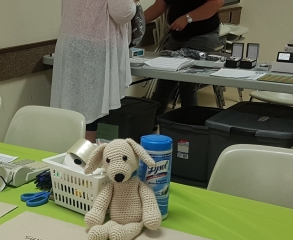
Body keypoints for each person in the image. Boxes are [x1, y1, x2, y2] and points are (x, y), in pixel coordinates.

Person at [51, 0, 139, 142]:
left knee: (74, 107)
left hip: (72, 40)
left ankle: (73, 157)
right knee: (90, 110)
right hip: (94, 45)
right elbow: (122, 12)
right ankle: (85, 159)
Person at [144, 0, 224, 117]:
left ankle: (189, 126)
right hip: (177, 36)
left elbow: (217, 2)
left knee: (187, 83)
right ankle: (151, 123)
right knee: (165, 80)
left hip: (201, 35)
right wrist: (135, 22)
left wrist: (187, 18)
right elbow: (159, 6)